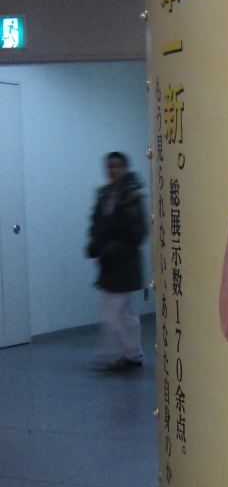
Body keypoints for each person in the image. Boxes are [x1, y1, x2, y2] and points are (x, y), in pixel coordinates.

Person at [86, 152, 147, 371]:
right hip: (109, 262)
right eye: (109, 166)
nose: (112, 171)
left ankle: (116, 352)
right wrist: (95, 244)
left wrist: (114, 247)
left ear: (125, 168)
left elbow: (138, 232)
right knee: (125, 312)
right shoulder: (103, 195)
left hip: (125, 262)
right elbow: (97, 224)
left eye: (116, 166)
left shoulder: (132, 196)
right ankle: (132, 354)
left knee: (111, 310)